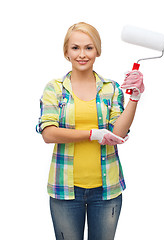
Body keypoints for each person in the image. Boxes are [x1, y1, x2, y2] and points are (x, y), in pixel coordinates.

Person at [36, 22, 144, 240]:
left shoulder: (111, 88)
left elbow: (118, 133)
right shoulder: (55, 88)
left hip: (107, 191)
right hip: (65, 190)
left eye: (89, 47)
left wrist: (135, 97)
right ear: (66, 52)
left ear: (97, 51)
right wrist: (93, 134)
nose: (82, 54)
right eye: (75, 48)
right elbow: (48, 133)